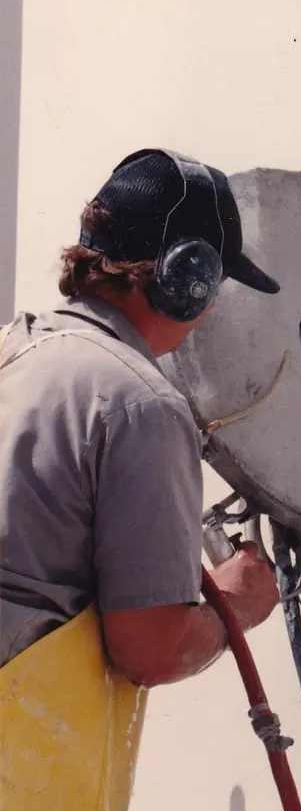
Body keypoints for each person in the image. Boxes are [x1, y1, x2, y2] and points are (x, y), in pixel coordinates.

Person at [0, 147, 280, 686]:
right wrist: (239, 604)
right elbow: (152, 652)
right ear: (187, 276)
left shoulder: (11, 351)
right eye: (217, 284)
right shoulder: (140, 405)